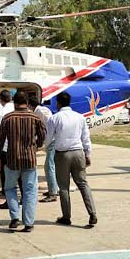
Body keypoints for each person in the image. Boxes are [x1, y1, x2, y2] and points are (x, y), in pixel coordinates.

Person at [0, 92, 46, 232]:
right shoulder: (35, 118)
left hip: (12, 159)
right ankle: (28, 222)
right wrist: (36, 146)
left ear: (15, 103)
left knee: (10, 188)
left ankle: (15, 217)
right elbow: (43, 135)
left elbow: (0, 139)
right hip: (29, 159)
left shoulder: (8, 118)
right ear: (27, 103)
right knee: (29, 190)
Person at [46, 91, 97, 226]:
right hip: (78, 152)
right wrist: (88, 153)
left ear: (58, 103)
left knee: (63, 187)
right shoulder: (79, 117)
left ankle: (66, 216)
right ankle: (92, 213)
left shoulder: (55, 118)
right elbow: (86, 137)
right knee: (83, 184)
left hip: (62, 154)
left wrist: (40, 146)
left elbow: (48, 138)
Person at [28, 97, 57, 203]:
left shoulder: (41, 111)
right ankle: (53, 189)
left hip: (52, 140)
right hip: (50, 140)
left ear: (30, 105)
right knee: (50, 166)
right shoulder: (39, 111)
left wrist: (42, 142)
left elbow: (49, 126)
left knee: (49, 167)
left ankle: (53, 193)